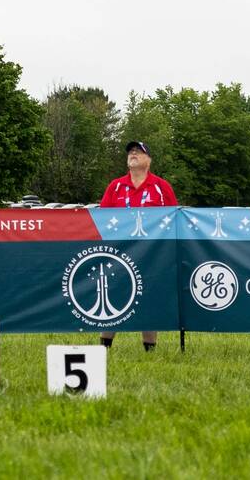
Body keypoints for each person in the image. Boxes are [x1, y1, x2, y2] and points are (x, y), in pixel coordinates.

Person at [98, 140, 176, 352]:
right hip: (120, 252)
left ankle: (149, 349)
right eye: (131, 152)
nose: (133, 154)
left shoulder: (161, 187)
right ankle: (104, 347)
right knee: (114, 296)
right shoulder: (115, 186)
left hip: (152, 255)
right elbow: (102, 219)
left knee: (148, 298)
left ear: (148, 161)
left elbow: (174, 220)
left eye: (139, 152)